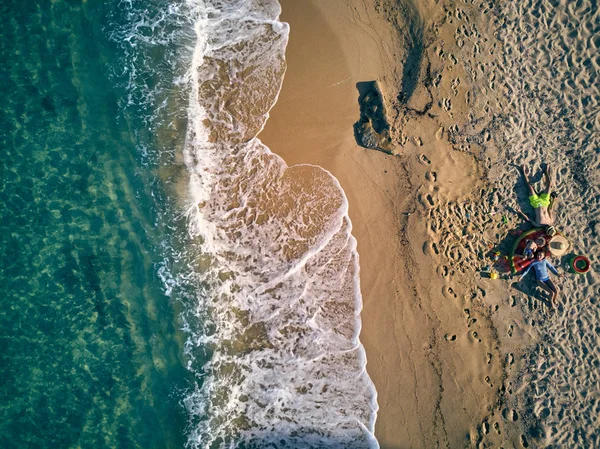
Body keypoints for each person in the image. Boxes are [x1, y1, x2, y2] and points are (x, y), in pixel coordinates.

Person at [517, 164, 558, 231]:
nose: (548, 227)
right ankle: (546, 171)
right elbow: (550, 209)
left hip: (535, 203)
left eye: (548, 228)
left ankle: (524, 173)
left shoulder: (538, 225)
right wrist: (553, 200)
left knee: (529, 187)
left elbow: (528, 219)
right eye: (550, 227)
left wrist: (520, 212)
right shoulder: (551, 221)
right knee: (549, 184)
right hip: (545, 202)